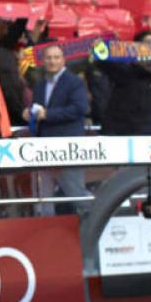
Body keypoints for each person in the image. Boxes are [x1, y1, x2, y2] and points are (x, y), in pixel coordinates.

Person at [23, 45, 90, 212]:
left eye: (56, 57)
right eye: (48, 58)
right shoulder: (39, 85)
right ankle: (46, 231)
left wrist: (48, 114)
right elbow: (39, 109)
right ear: (43, 61)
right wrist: (29, 112)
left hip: (67, 147)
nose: (52, 61)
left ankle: (95, 219)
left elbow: (80, 109)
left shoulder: (74, 82)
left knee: (75, 191)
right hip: (43, 148)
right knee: (43, 197)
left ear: (63, 60)